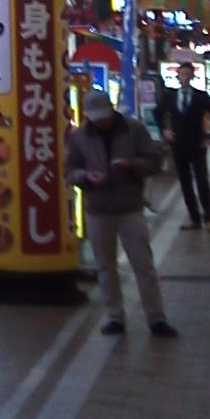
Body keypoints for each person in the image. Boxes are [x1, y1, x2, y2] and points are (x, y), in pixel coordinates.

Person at [66, 88, 177, 339]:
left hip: (129, 207)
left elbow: (153, 162)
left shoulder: (133, 129)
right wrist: (86, 177)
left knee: (143, 264)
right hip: (98, 209)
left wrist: (132, 165)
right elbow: (70, 169)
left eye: (103, 115)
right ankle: (115, 317)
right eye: (95, 117)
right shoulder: (80, 137)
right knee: (105, 266)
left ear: (111, 108)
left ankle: (156, 318)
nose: (101, 121)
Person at [156, 62, 210, 232]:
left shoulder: (200, 96)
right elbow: (157, 112)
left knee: (201, 180)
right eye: (181, 74)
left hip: (197, 144)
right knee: (185, 182)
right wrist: (164, 130)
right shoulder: (170, 96)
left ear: (192, 76)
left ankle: (209, 217)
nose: (184, 77)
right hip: (178, 145)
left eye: (187, 74)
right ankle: (194, 217)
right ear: (177, 76)